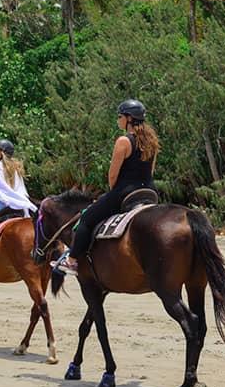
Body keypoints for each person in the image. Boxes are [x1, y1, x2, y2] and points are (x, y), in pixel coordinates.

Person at [54, 99, 159, 276]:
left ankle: (71, 261)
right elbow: (151, 170)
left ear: (129, 118)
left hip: (125, 192)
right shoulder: (152, 142)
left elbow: (112, 175)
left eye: (120, 116)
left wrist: (113, 194)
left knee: (86, 219)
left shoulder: (123, 141)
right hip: (149, 192)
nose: (118, 120)